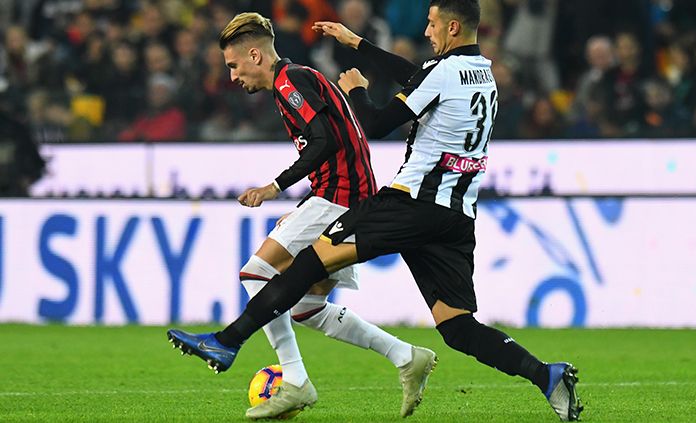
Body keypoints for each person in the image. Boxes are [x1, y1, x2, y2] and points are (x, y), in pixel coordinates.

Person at [175, 0, 584, 420]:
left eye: (432, 24)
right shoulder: (484, 75)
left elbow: (374, 124)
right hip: (456, 215)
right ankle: (546, 375)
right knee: (457, 328)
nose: (427, 32)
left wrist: (356, 89)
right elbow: (416, 76)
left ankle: (228, 341)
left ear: (453, 26)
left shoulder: (438, 73)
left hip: (410, 202)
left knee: (307, 264)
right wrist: (358, 43)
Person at [165, 12, 437, 421]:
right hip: (347, 197)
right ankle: (405, 355)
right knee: (305, 305)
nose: (234, 77)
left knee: (256, 274)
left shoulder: (290, 82)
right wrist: (303, 206)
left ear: (255, 55)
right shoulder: (299, 78)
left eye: (234, 66)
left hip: (339, 198)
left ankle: (294, 380)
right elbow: (335, 142)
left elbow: (325, 142)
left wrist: (274, 187)